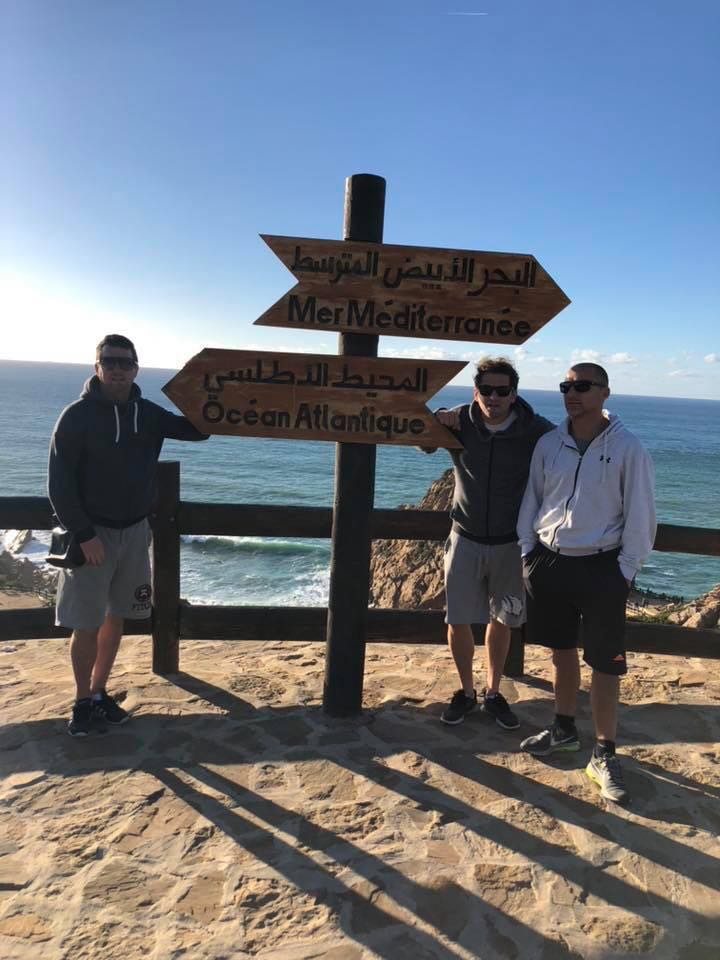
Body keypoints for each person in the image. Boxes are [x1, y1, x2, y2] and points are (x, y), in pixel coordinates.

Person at [48, 334, 208, 737]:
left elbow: (198, 431)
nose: (117, 369)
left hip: (135, 531)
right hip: (92, 535)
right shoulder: (76, 416)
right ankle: (82, 701)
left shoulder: (147, 413)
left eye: (125, 362)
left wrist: (210, 389)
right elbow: (59, 484)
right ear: (97, 367)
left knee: (116, 616)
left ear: (136, 369)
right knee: (86, 622)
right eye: (110, 361)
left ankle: (99, 692)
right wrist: (84, 534)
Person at [517, 363, 656, 804]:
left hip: (602, 568)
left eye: (582, 386)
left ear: (604, 392)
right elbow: (533, 498)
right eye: (566, 386)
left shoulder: (628, 448)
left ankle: (604, 752)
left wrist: (625, 571)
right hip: (549, 562)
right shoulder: (549, 443)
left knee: (606, 663)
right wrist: (527, 553)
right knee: (560, 651)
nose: (572, 393)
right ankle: (563, 729)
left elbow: (641, 514)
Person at [426, 356, 554, 728]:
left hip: (511, 544)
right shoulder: (461, 422)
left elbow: (571, 446)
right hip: (464, 538)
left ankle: (493, 693)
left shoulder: (534, 429)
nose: (493, 397)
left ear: (514, 394)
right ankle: (466, 692)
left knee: (503, 620)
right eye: (486, 390)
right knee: (458, 619)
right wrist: (437, 418)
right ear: (475, 392)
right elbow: (423, 443)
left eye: (502, 391)